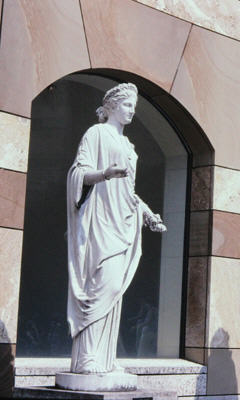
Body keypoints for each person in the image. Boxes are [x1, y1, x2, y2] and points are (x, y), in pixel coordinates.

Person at [66, 83, 166, 374]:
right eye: (126, 104)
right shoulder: (96, 134)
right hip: (100, 221)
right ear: (111, 107)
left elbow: (128, 191)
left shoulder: (128, 145)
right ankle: (86, 357)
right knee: (104, 286)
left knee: (114, 290)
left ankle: (103, 358)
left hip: (123, 221)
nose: (132, 110)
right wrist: (104, 174)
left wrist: (148, 214)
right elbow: (78, 173)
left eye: (134, 106)